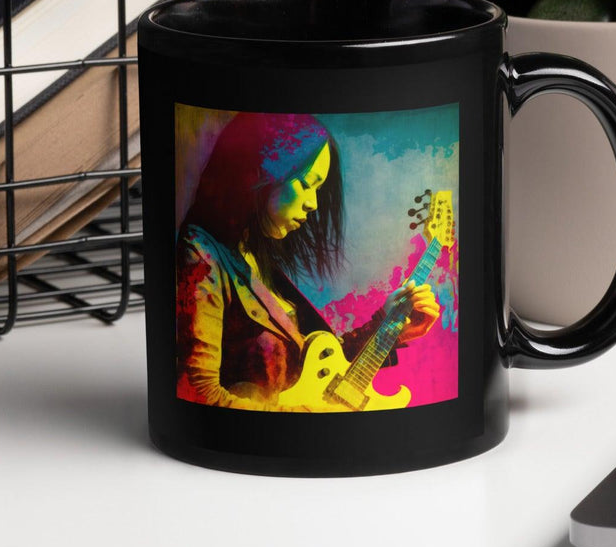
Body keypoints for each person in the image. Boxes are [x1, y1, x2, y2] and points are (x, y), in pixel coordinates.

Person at [175, 112, 439, 410]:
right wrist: (308, 416)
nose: (314, 202)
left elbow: (317, 366)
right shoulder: (201, 255)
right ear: (261, 173)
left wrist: (388, 326)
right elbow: (198, 394)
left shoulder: (252, 254)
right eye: (305, 183)